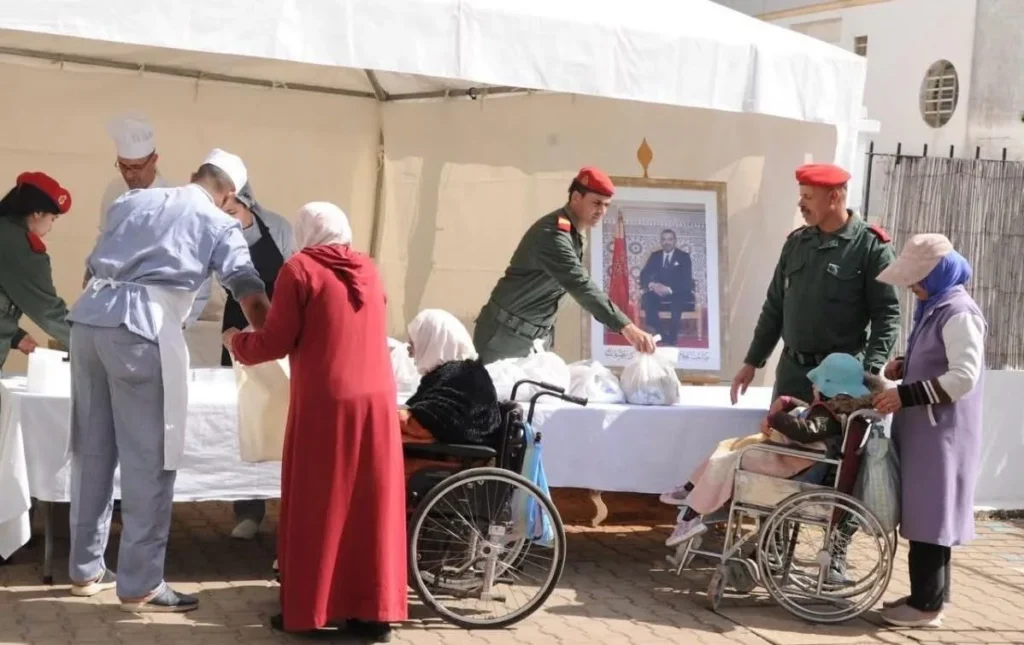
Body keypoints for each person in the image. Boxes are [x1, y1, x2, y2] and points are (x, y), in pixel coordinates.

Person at [66, 149, 270, 612]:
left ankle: (86, 568)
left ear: (196, 174)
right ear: (229, 195)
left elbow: (89, 268)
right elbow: (246, 286)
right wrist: (277, 339)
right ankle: (141, 582)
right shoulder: (219, 224)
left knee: (92, 448)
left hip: (89, 322)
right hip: (140, 329)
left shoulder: (133, 201)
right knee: (149, 457)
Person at [226, 202, 406, 641]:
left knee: (319, 505)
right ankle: (374, 612)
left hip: (327, 404)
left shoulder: (300, 269)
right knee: (370, 506)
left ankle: (311, 610)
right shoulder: (368, 268)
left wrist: (238, 343)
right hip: (378, 403)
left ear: (307, 232)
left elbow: (277, 339)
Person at [664, 353, 885, 558]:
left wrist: (777, 418)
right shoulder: (837, 410)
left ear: (828, 385)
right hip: (797, 459)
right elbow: (812, 421)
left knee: (729, 459)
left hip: (796, 465)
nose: (813, 385)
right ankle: (690, 490)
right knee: (727, 446)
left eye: (817, 382)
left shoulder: (830, 414)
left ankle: (691, 514)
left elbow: (806, 431)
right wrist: (789, 404)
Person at [871, 234, 985, 628]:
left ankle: (926, 606)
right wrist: (906, 365)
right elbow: (939, 359)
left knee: (932, 517)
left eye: (917, 279)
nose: (912, 287)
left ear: (938, 274)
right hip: (928, 431)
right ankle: (928, 596)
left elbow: (963, 377)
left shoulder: (958, 312)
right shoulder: (936, 308)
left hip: (943, 434)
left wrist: (907, 395)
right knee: (926, 515)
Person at [731, 163, 901, 405]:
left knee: (831, 443)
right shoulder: (797, 244)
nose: (801, 204)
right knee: (782, 440)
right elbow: (774, 308)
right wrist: (752, 361)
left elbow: (887, 316)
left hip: (840, 381)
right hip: (791, 375)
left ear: (834, 197)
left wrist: (869, 371)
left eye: (808, 197)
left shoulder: (870, 247)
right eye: (801, 196)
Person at [473, 167, 657, 364]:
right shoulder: (552, 234)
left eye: (606, 205)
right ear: (576, 197)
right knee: (497, 393)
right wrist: (626, 327)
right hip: (505, 336)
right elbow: (579, 283)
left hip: (535, 338)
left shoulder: (574, 232)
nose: (601, 211)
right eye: (596, 203)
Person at [219, 181, 296, 541]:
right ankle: (247, 510)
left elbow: (295, 276)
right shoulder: (215, 230)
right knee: (239, 419)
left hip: (278, 328)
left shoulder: (278, 227)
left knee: (274, 414)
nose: (227, 219)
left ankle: (284, 501)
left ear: (248, 205)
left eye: (232, 211)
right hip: (237, 329)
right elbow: (202, 283)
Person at [401, 309, 502, 477]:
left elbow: (426, 423)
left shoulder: (462, 377)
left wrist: (391, 418)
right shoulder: (456, 373)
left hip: (457, 462)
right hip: (451, 453)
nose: (411, 352)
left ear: (433, 341)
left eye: (414, 344)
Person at [84, 115, 170, 288]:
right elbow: (104, 235)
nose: (129, 175)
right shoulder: (114, 189)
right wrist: (90, 273)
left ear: (154, 160)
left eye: (136, 167)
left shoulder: (169, 197)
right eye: (123, 166)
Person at [0, 172, 73, 367]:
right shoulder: (22, 250)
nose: (50, 227)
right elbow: (49, 312)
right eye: (53, 218)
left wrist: (16, 336)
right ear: (37, 213)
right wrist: (89, 343)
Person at [639, 229, 695, 344]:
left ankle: (672, 337)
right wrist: (653, 285)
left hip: (677, 292)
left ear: (674, 241)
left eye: (670, 239)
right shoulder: (655, 256)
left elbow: (686, 280)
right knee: (647, 298)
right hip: (658, 291)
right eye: (664, 239)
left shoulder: (683, 257)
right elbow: (644, 274)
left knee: (677, 301)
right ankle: (661, 334)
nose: (667, 242)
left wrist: (669, 289)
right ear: (661, 241)